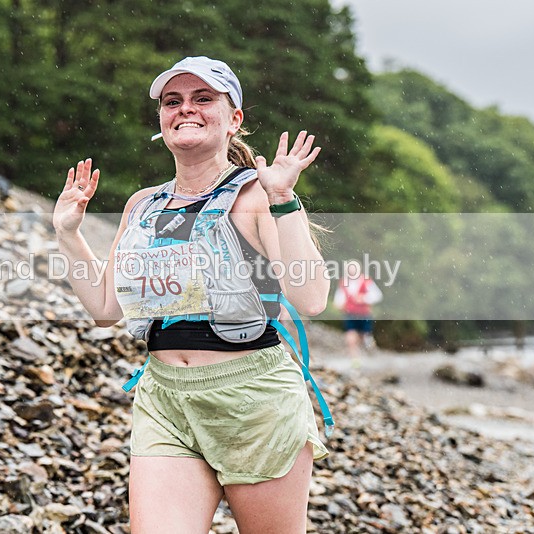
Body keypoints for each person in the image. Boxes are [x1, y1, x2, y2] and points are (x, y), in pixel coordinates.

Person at [53, 56, 331, 533]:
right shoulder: (143, 204)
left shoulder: (257, 196)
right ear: (161, 119)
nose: (187, 109)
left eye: (204, 99)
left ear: (234, 119)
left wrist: (285, 200)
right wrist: (67, 233)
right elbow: (104, 309)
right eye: (173, 101)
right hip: (164, 399)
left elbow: (311, 299)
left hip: (254, 399)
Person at [334, 259, 383, 359]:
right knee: (350, 338)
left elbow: (377, 295)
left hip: (364, 314)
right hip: (350, 313)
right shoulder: (344, 282)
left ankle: (370, 352)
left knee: (365, 337)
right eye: (350, 269)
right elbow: (339, 297)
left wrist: (363, 298)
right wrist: (339, 304)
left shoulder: (366, 280)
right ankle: (355, 360)